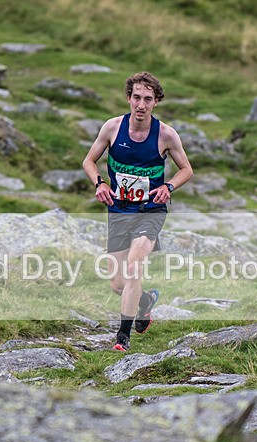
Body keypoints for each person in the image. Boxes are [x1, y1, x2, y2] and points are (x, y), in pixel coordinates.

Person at [83, 71, 193, 352]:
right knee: (118, 284)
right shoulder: (112, 128)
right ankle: (145, 301)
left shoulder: (166, 134)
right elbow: (89, 161)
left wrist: (168, 187)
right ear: (128, 99)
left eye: (147, 99)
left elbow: (187, 170)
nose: (141, 105)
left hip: (151, 210)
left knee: (134, 266)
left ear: (156, 102)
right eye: (136, 98)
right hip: (119, 209)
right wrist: (99, 183)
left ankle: (122, 337)